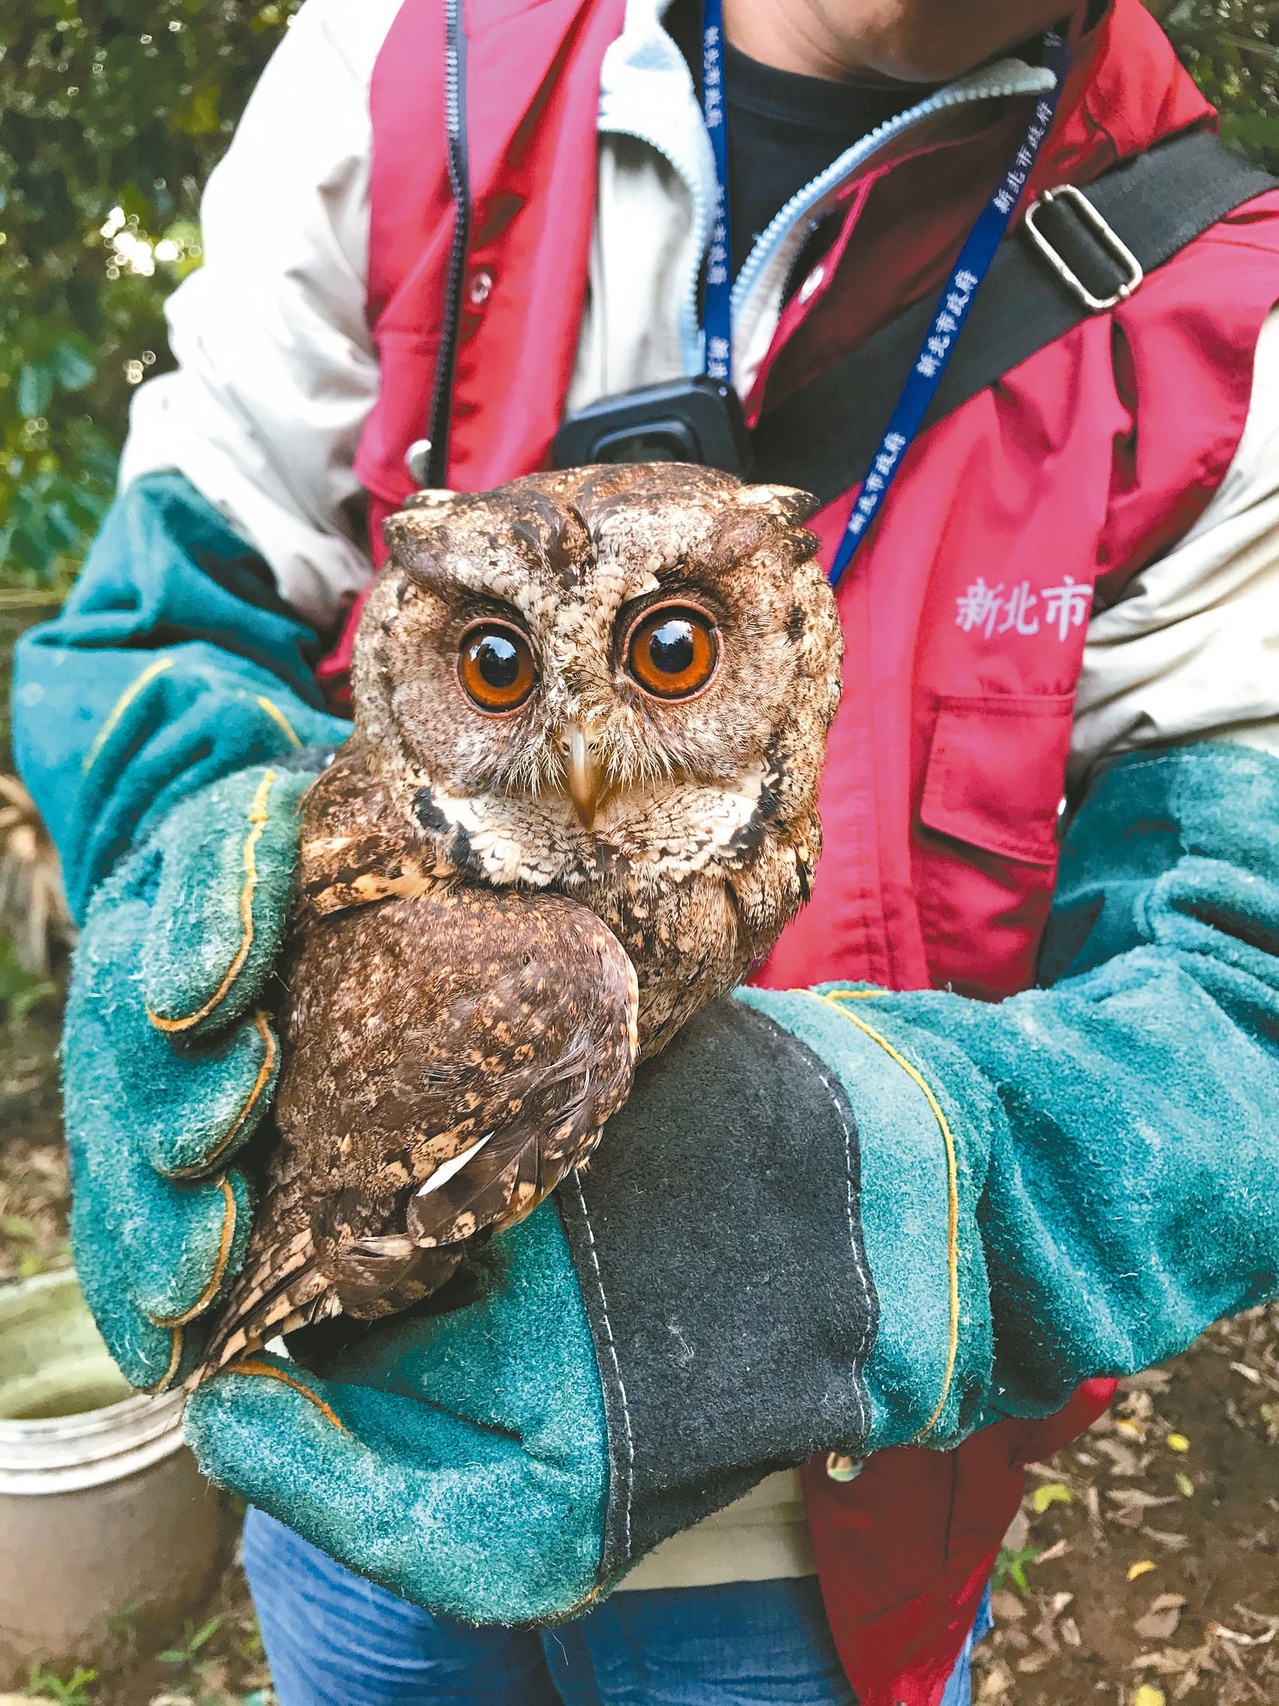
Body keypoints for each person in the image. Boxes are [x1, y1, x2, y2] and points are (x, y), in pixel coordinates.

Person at [15, 0, 1279, 1701]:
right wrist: (192, 887)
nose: (587, 770)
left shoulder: (1222, 312)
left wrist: (879, 1212)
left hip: (830, 1535)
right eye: (488, 667)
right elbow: (160, 623)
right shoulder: (409, 62)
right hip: (360, 1448)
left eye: (675, 658)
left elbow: (1243, 996)